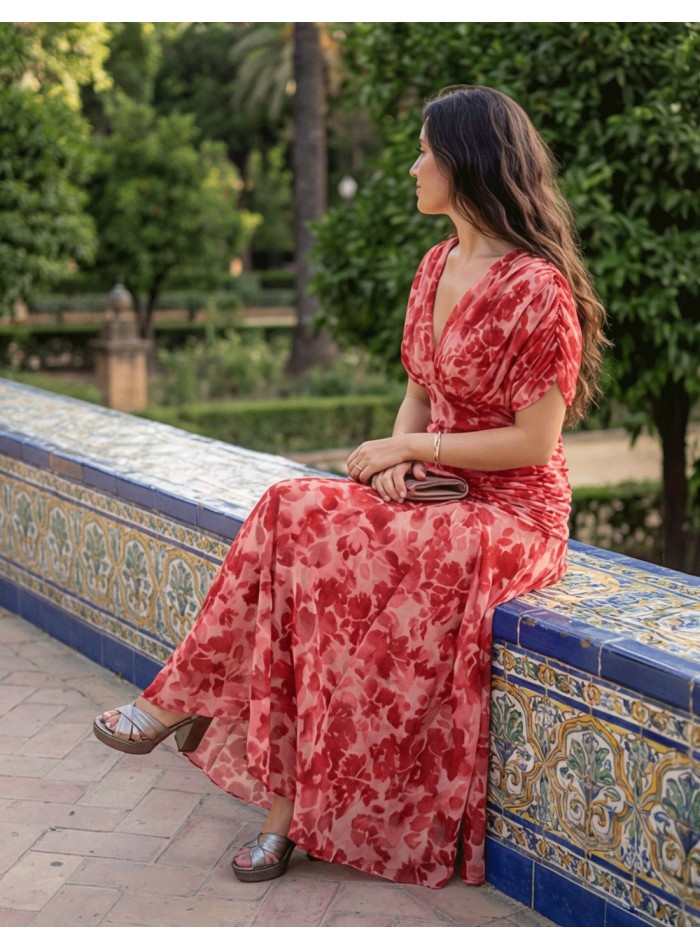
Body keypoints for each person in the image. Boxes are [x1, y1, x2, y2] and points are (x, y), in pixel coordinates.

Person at [94, 85, 607, 890]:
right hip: (438, 489)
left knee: (340, 564)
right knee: (289, 510)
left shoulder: (535, 287)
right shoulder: (435, 264)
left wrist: (411, 445)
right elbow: (418, 387)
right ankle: (223, 738)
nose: (413, 166)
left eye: (425, 151)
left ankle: (234, 760)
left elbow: (537, 440)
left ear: (467, 163)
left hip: (512, 515)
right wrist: (400, 461)